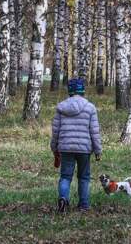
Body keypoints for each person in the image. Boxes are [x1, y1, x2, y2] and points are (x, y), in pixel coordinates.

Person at [51, 78, 102, 213]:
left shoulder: (61, 107)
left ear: (70, 91)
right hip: (84, 149)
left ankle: (63, 198)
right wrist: (98, 150)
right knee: (84, 177)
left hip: (65, 147)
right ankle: (84, 205)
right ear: (82, 91)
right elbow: (94, 131)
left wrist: (54, 147)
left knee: (65, 176)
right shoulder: (90, 107)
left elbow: (55, 130)